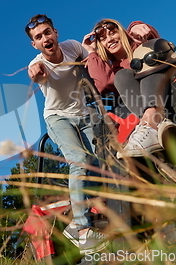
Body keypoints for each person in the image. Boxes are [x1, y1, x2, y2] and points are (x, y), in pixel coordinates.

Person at [26, 14, 107, 254]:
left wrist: (91, 48)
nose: (45, 38)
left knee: (101, 160)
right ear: (35, 44)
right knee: (79, 160)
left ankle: (96, 206)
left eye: (47, 32)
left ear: (55, 33)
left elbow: (91, 58)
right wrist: (36, 74)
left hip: (84, 113)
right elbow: (35, 74)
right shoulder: (37, 64)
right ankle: (81, 229)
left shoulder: (71, 47)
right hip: (57, 117)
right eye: (39, 37)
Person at [82, 19, 176, 157]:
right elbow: (103, 84)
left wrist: (136, 26)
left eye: (113, 33)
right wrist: (91, 52)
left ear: (122, 33)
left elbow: (154, 40)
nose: (109, 39)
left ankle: (152, 122)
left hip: (165, 88)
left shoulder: (139, 44)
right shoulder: (114, 70)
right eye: (103, 39)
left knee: (145, 60)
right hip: (137, 107)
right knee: (122, 76)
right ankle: (153, 127)